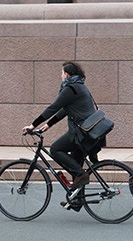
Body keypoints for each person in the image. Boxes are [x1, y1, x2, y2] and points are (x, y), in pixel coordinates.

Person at [22, 61, 100, 208]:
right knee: (75, 166)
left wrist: (33, 125)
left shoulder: (70, 88)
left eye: (62, 72)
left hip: (82, 133)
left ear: (67, 74)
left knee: (56, 149)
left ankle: (81, 175)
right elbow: (65, 110)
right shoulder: (79, 86)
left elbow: (53, 107)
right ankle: (77, 200)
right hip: (88, 132)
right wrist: (48, 125)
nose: (61, 75)